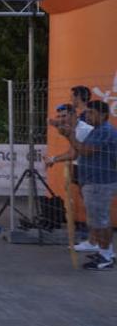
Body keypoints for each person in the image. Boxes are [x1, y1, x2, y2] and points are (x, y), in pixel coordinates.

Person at [55, 100, 117, 271]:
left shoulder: (104, 131)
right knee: (98, 219)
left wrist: (69, 135)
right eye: (87, 112)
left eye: (91, 112)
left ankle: (106, 257)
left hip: (100, 182)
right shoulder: (98, 130)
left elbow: (84, 150)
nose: (87, 115)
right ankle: (105, 252)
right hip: (95, 181)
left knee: (100, 221)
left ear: (103, 115)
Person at [45, 103, 94, 248]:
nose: (61, 119)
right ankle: (94, 240)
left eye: (64, 116)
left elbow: (73, 153)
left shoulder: (82, 130)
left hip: (91, 170)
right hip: (82, 167)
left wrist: (53, 159)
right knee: (88, 204)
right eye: (59, 116)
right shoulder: (73, 127)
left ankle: (96, 242)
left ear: (74, 114)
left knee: (92, 206)